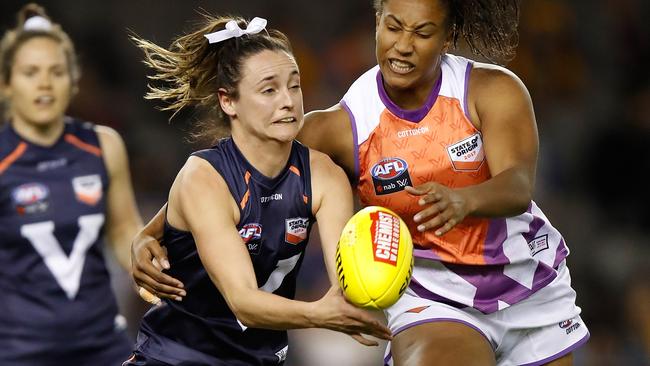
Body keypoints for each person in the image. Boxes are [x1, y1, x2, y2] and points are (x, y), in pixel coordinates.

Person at [133, 0, 590, 365]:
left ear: (447, 37)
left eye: (423, 32)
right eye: (393, 26)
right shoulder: (341, 128)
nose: (403, 45)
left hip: (528, 283)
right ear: (376, 22)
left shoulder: (492, 90)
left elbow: (517, 187)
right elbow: (224, 173)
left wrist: (464, 200)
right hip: (432, 293)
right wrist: (151, 234)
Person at [124, 14, 392, 366]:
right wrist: (320, 314)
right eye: (269, 89)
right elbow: (244, 302)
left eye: (294, 86)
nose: (288, 101)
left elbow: (346, 276)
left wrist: (372, 283)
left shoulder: (323, 175)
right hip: (174, 359)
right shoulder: (203, 178)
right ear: (228, 101)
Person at [0, 3, 143, 365]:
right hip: (18, 350)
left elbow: (124, 229)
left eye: (57, 72)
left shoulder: (104, 145)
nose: (45, 83)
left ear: (74, 80)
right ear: (6, 83)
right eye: (30, 72)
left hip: (103, 345)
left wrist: (153, 271)